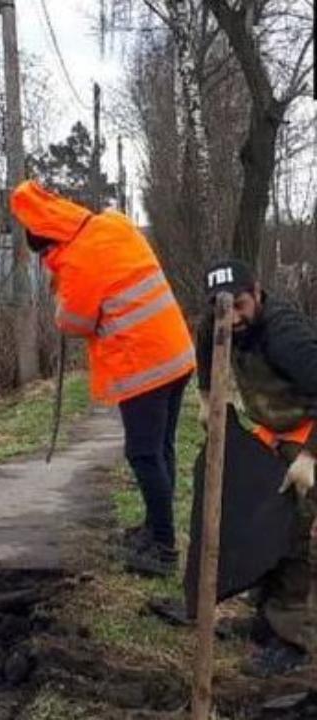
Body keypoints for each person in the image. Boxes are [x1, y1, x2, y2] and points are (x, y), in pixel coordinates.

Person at [10, 179, 195, 577]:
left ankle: (163, 549)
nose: (47, 260)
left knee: (143, 453)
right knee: (161, 447)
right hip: (176, 353)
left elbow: (75, 321)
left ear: (50, 243)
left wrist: (61, 292)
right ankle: (154, 528)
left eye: (45, 254)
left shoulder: (77, 261)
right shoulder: (113, 223)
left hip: (143, 364)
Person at [197, 258, 317, 677]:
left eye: (240, 305)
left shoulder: (287, 336)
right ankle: (266, 620)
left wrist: (309, 458)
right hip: (274, 430)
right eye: (221, 308)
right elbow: (203, 336)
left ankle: (294, 640)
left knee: (296, 534)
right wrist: (205, 392)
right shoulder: (221, 320)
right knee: (263, 521)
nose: (232, 318)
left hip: (308, 432)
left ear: (258, 292)